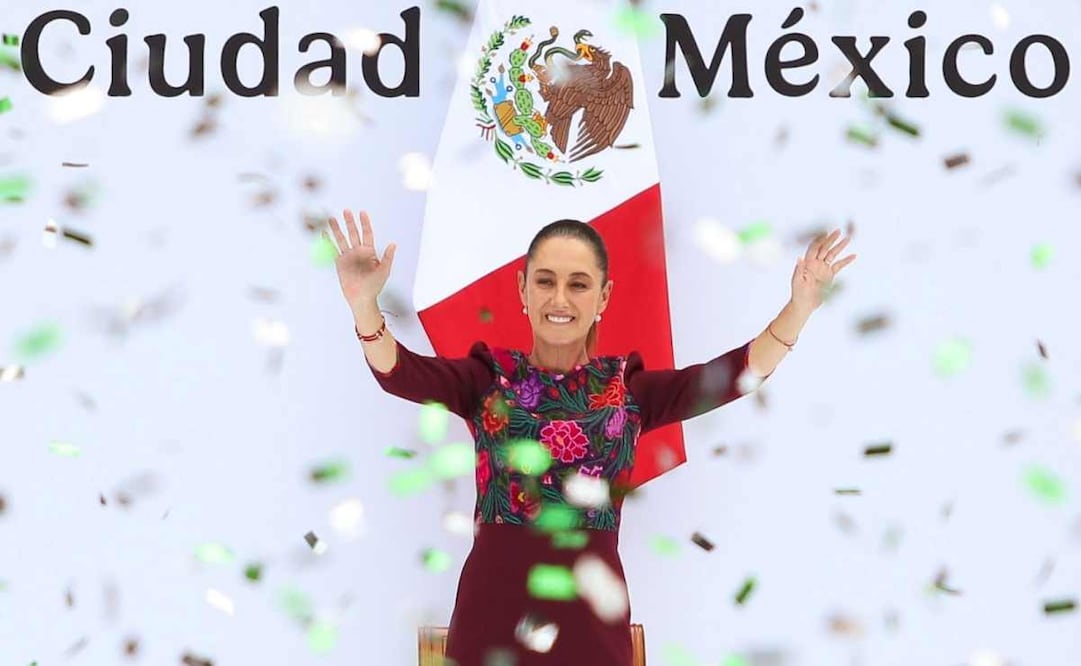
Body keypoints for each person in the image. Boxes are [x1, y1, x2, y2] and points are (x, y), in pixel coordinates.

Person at [324, 209, 855, 666]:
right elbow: (399, 372)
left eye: (578, 283)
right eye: (545, 280)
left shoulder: (629, 391)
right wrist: (363, 305)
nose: (561, 297)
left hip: (591, 639)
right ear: (523, 290)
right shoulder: (488, 378)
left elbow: (734, 374)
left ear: (603, 296)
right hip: (491, 632)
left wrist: (801, 307)